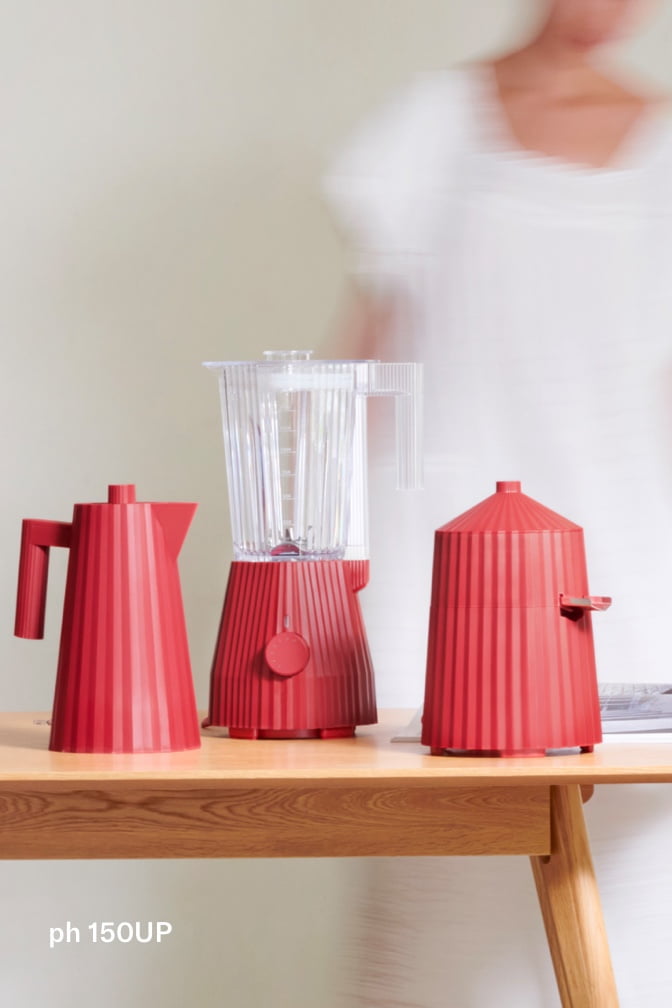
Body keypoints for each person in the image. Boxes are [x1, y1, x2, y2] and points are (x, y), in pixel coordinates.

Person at [324, 0, 672, 707]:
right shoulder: (436, 117)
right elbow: (377, 322)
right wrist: (324, 504)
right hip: (446, 478)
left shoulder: (662, 135)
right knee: (425, 711)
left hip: (614, 483)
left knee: (618, 722)